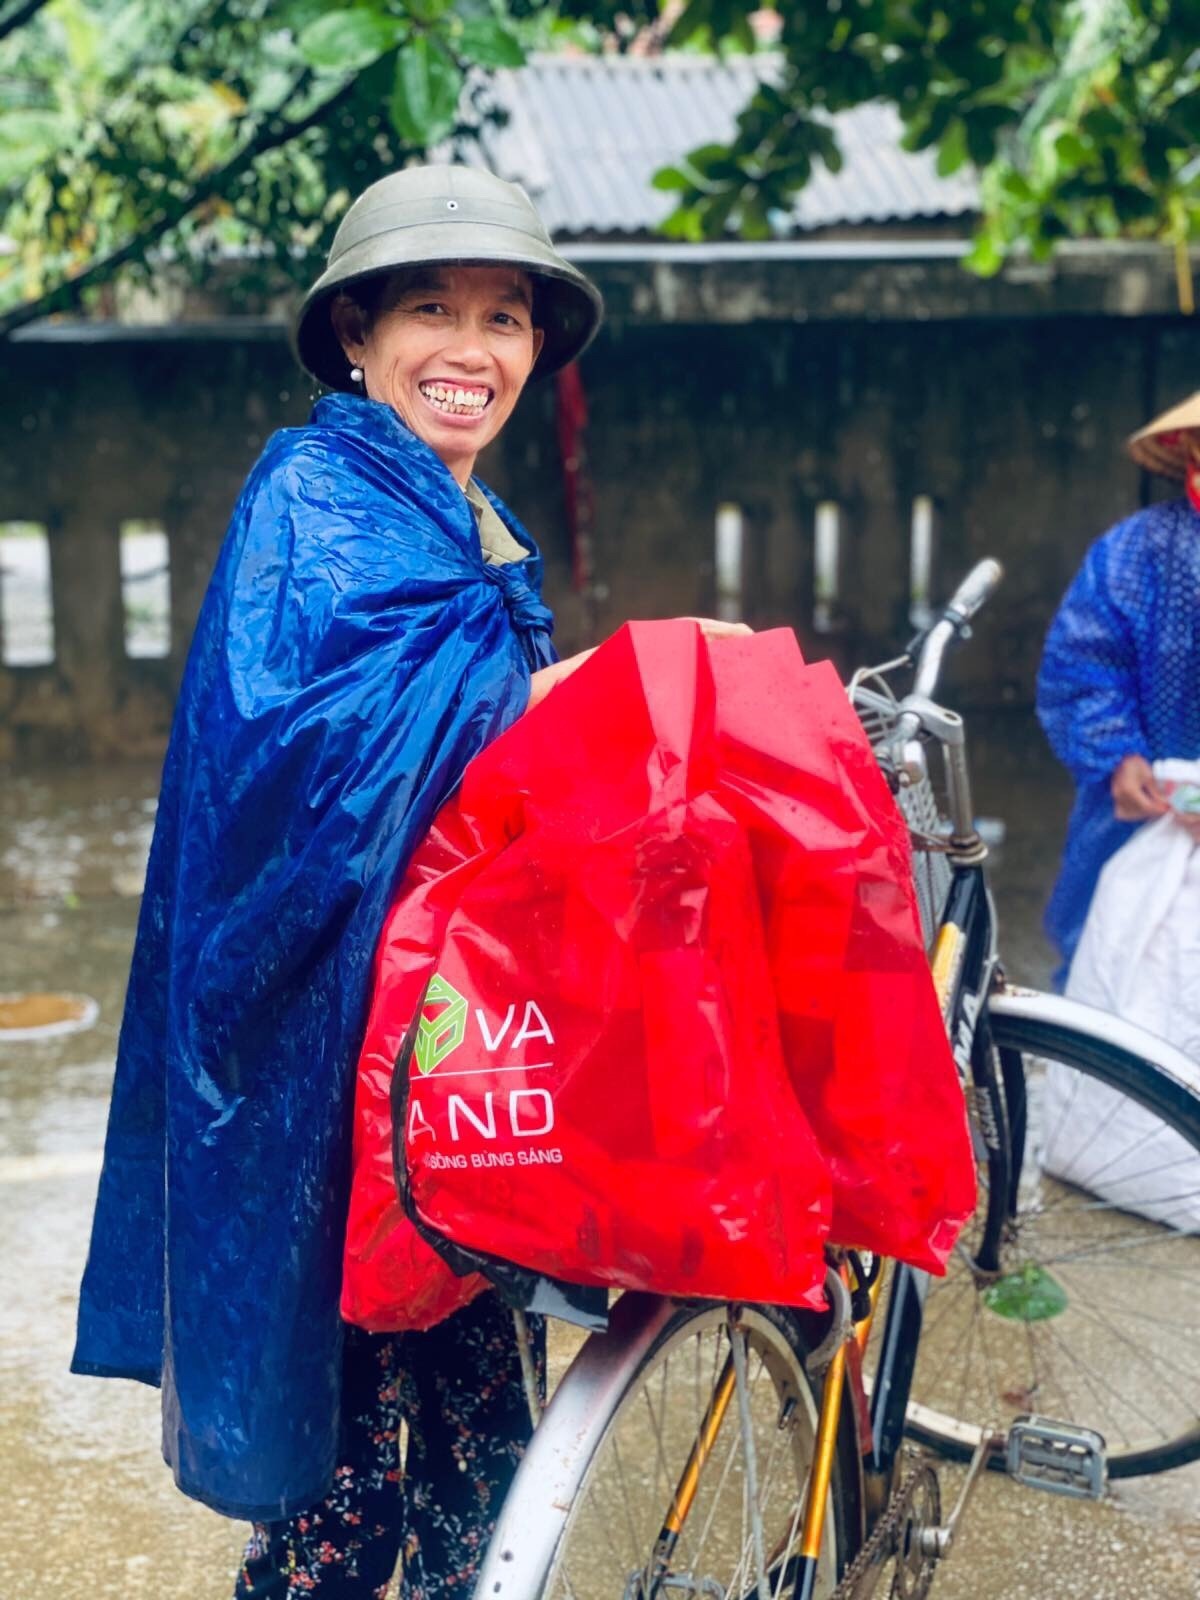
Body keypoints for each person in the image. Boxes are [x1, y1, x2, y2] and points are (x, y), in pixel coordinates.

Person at [70, 164, 744, 1598]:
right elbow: (329, 768)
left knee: (483, 1471)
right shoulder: (318, 500)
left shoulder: (460, 517)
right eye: (433, 309)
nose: (472, 349)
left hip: (443, 1056)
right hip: (323, 1054)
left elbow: (479, 758)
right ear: (360, 337)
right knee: (337, 1503)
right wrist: (592, 696)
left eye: (505, 319)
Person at [1037, 391, 1200, 982]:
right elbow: (1084, 664)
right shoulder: (1135, 551)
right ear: (1187, 448)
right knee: (1111, 967)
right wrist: (1116, 755)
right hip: (1144, 807)